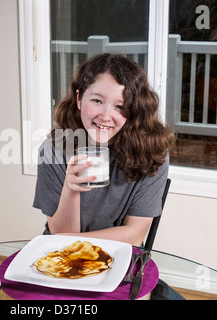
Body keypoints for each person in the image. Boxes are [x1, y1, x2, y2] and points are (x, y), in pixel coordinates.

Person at [33, 53, 175, 246]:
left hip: (120, 253)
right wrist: (71, 189)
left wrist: (68, 240)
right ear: (79, 98)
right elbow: (61, 235)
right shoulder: (53, 151)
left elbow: (134, 236)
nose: (106, 116)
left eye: (120, 106)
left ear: (133, 110)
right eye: (97, 101)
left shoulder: (152, 153)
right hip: (64, 255)